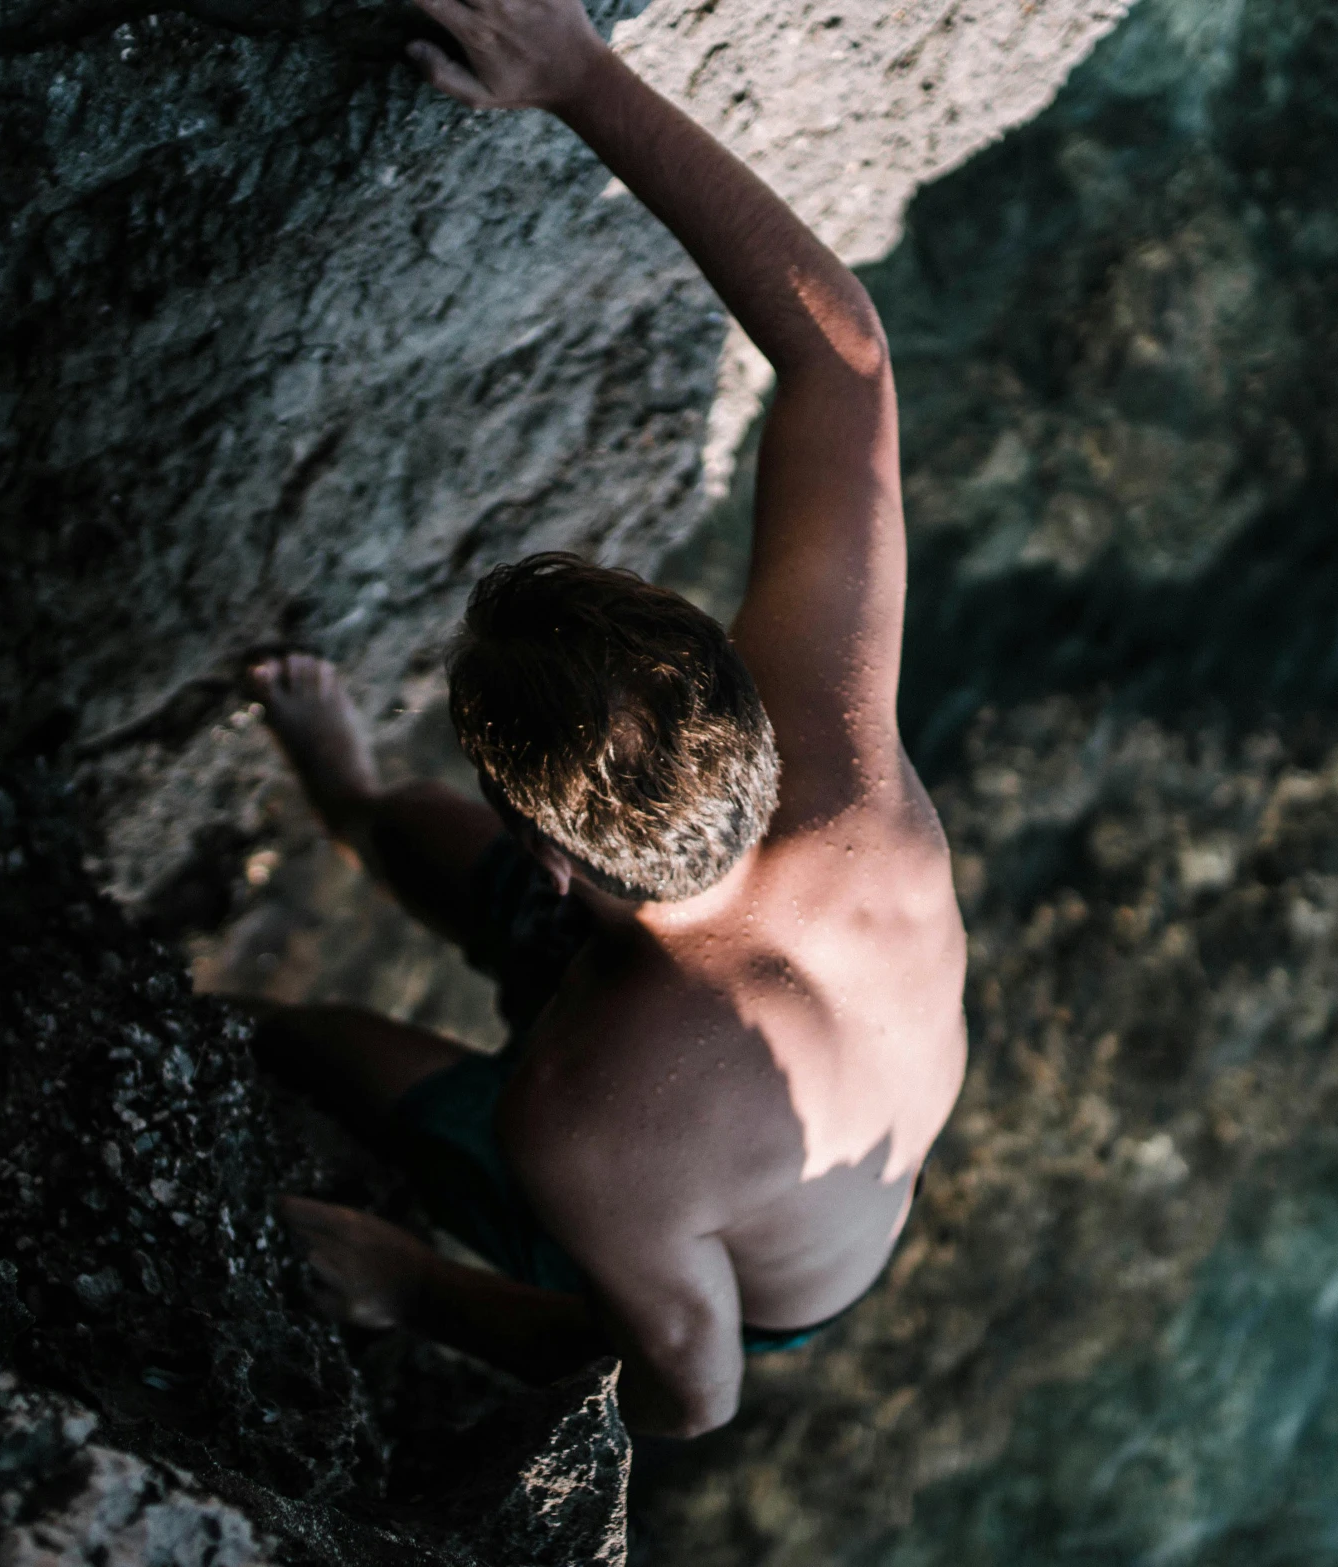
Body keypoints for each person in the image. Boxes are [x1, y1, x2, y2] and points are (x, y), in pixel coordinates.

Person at [242, 0, 967, 1439]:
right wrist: (577, 75)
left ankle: (351, 856)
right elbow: (843, 361)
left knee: (291, 1034)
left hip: (719, 1204)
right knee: (408, 836)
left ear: (557, 859)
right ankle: (354, 805)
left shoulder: (576, 1125)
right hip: (702, 993)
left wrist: (414, 1284)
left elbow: (691, 1392)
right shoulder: (835, 756)